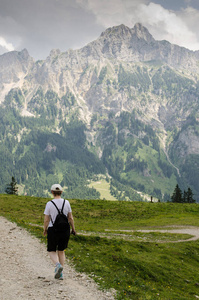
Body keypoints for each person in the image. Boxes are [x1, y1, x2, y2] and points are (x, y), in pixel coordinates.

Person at [43, 184, 76, 280]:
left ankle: (57, 265)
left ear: (52, 192)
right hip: (65, 230)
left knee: (51, 250)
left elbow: (46, 219)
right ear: (61, 192)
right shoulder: (67, 203)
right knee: (61, 251)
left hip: (53, 229)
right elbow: (70, 217)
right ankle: (61, 274)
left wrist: (45, 229)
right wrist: (73, 229)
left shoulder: (49, 204)